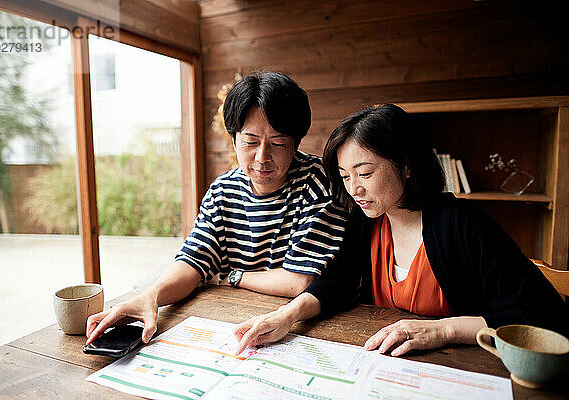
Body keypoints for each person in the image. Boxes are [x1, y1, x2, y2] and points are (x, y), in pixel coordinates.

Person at [233, 104, 569, 356]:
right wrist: (287, 315)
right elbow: (337, 281)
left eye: (364, 173)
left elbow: (546, 315)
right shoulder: (367, 220)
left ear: (406, 166)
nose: (354, 190)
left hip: (463, 367)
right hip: (387, 363)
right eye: (345, 176)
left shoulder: (462, 224)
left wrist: (444, 330)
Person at [86, 72, 347, 345]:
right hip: (229, 321)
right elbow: (193, 262)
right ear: (233, 138)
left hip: (300, 326)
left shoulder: (318, 182)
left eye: (278, 143)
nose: (262, 157)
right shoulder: (223, 190)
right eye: (250, 141)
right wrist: (151, 296)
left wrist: (232, 276)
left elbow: (297, 281)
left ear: (297, 142)